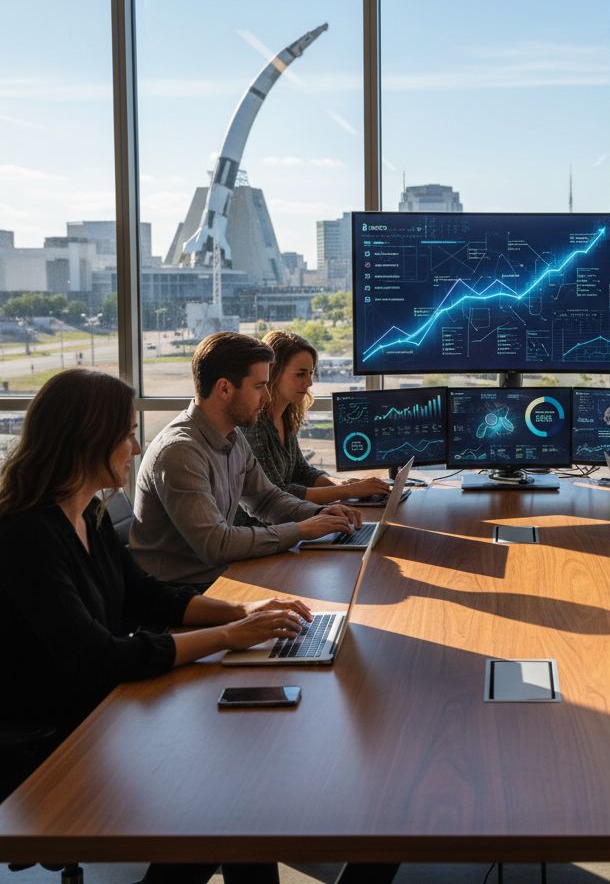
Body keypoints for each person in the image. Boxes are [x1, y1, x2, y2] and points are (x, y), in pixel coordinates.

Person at [0, 368, 310, 884]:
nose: (135, 445)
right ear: (88, 439)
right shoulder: (25, 536)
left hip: (103, 703)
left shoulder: (88, 517)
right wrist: (227, 638)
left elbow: (149, 596)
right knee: (228, 798)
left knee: (237, 791)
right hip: (53, 734)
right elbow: (96, 656)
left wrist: (243, 614)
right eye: (125, 433)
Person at [131, 332, 361, 589]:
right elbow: (216, 545)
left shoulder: (233, 437)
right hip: (181, 595)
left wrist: (319, 514)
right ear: (224, 388)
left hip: (217, 577)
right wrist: (302, 530)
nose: (267, 398)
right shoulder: (180, 452)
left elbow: (266, 499)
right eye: (259, 386)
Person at [236, 330, 390, 526]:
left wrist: (340, 483)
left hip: (286, 528)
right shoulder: (254, 425)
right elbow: (279, 493)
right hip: (260, 534)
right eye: (300, 374)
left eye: (310, 373)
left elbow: (302, 470)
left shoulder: (285, 415)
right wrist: (348, 491)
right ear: (273, 373)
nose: (309, 383)